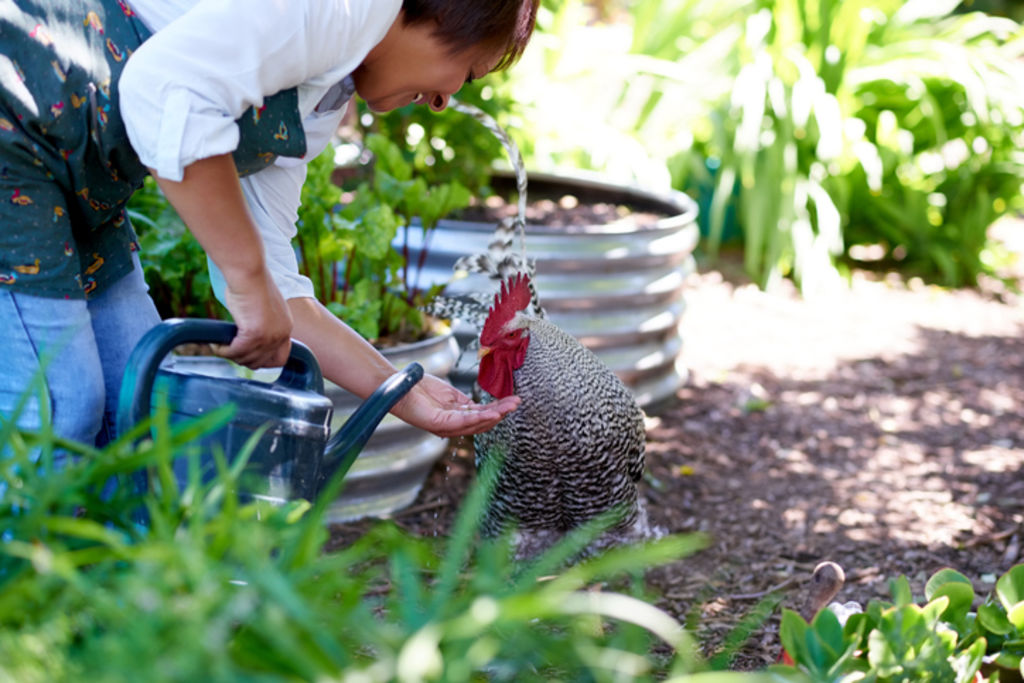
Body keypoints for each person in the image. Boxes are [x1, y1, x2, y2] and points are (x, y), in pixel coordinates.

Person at [0, 0, 534, 452]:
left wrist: (400, 390)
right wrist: (246, 277)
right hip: (17, 131)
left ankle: (104, 572)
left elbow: (280, 289)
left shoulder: (321, 99)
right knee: (59, 406)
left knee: (135, 404)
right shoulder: (350, 9)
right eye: (466, 73)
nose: (445, 100)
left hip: (73, 182)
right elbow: (165, 89)